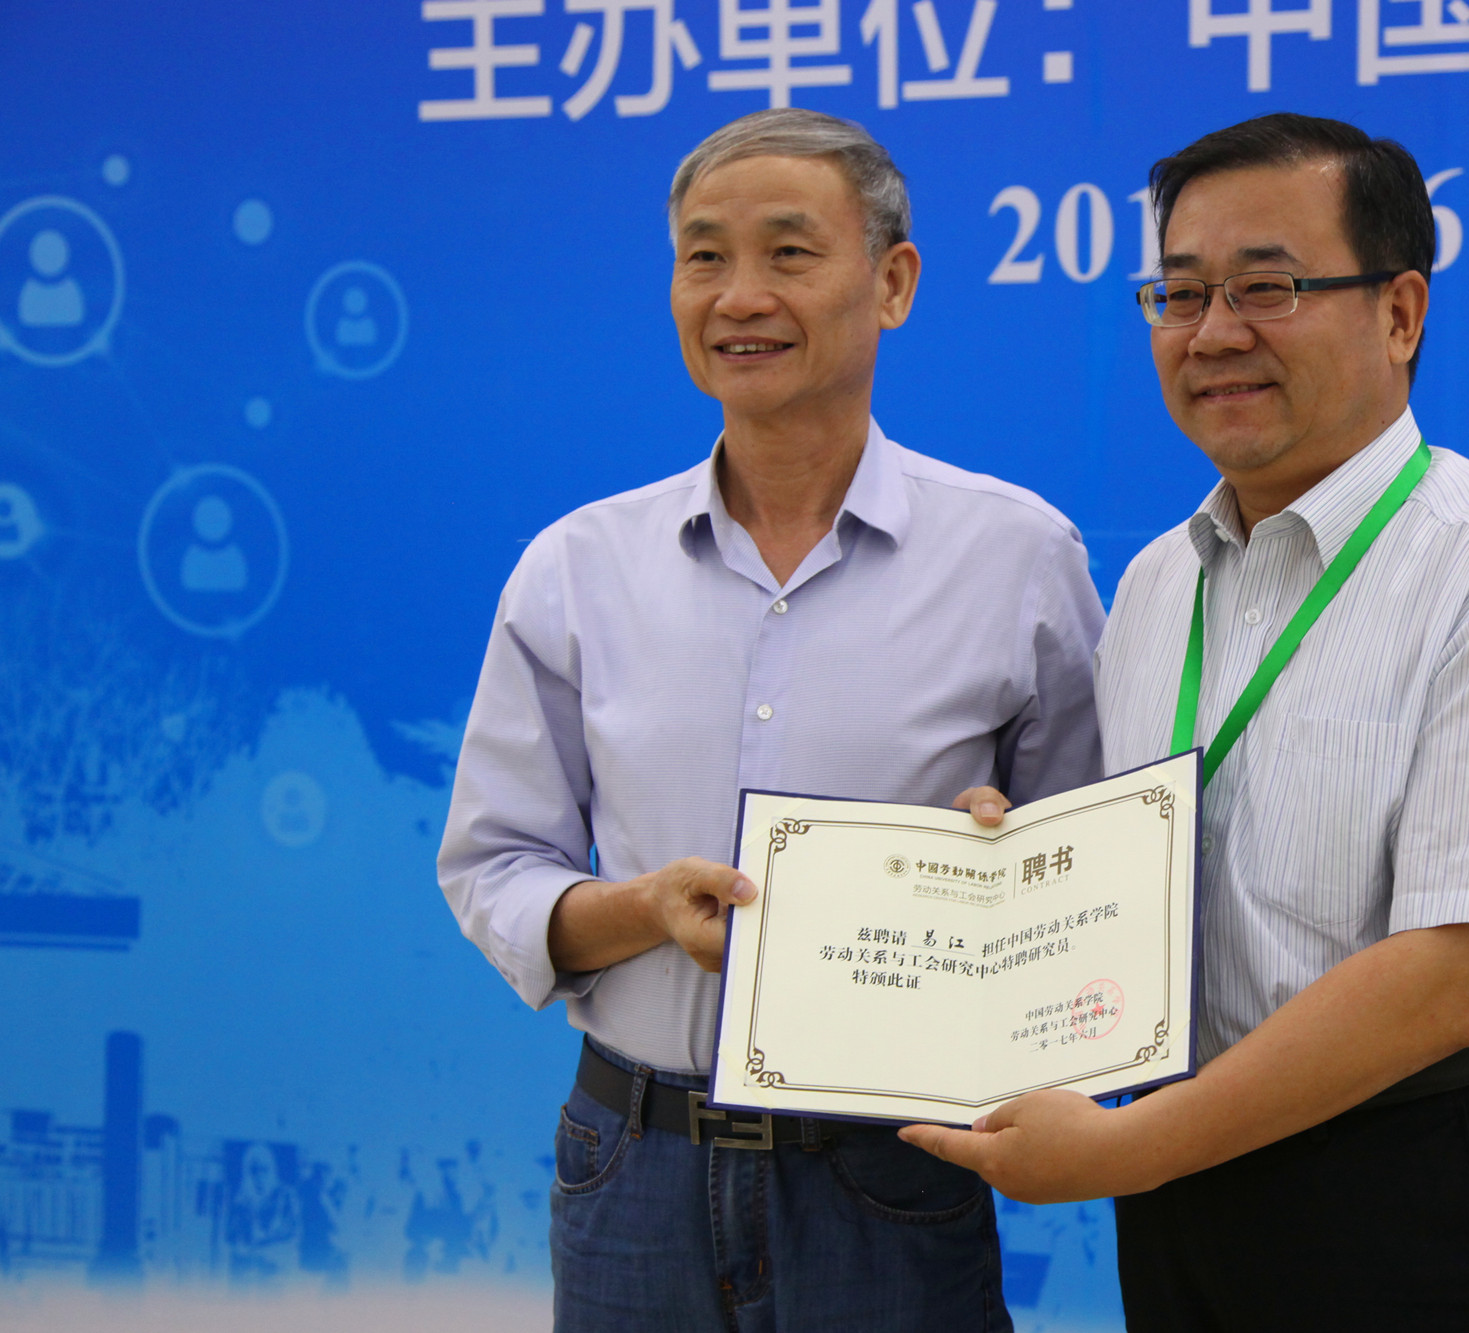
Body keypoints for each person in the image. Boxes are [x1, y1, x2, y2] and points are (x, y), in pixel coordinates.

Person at [904, 112, 1469, 1331]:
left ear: (1400, 312)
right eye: (1179, 293)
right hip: (1194, 1176)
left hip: (1432, 1179)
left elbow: (1457, 974)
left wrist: (1126, 1152)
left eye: (1267, 287)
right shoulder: (1157, 581)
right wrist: (1016, 866)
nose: (1214, 333)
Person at [438, 108, 1104, 1332]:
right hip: (631, 1160)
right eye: (704, 256)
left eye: (789, 253)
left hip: (886, 1170)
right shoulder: (577, 567)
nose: (738, 295)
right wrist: (642, 910)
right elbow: (494, 865)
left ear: (892, 283)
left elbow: (1088, 878)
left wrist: (1005, 869)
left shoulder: (1016, 556)